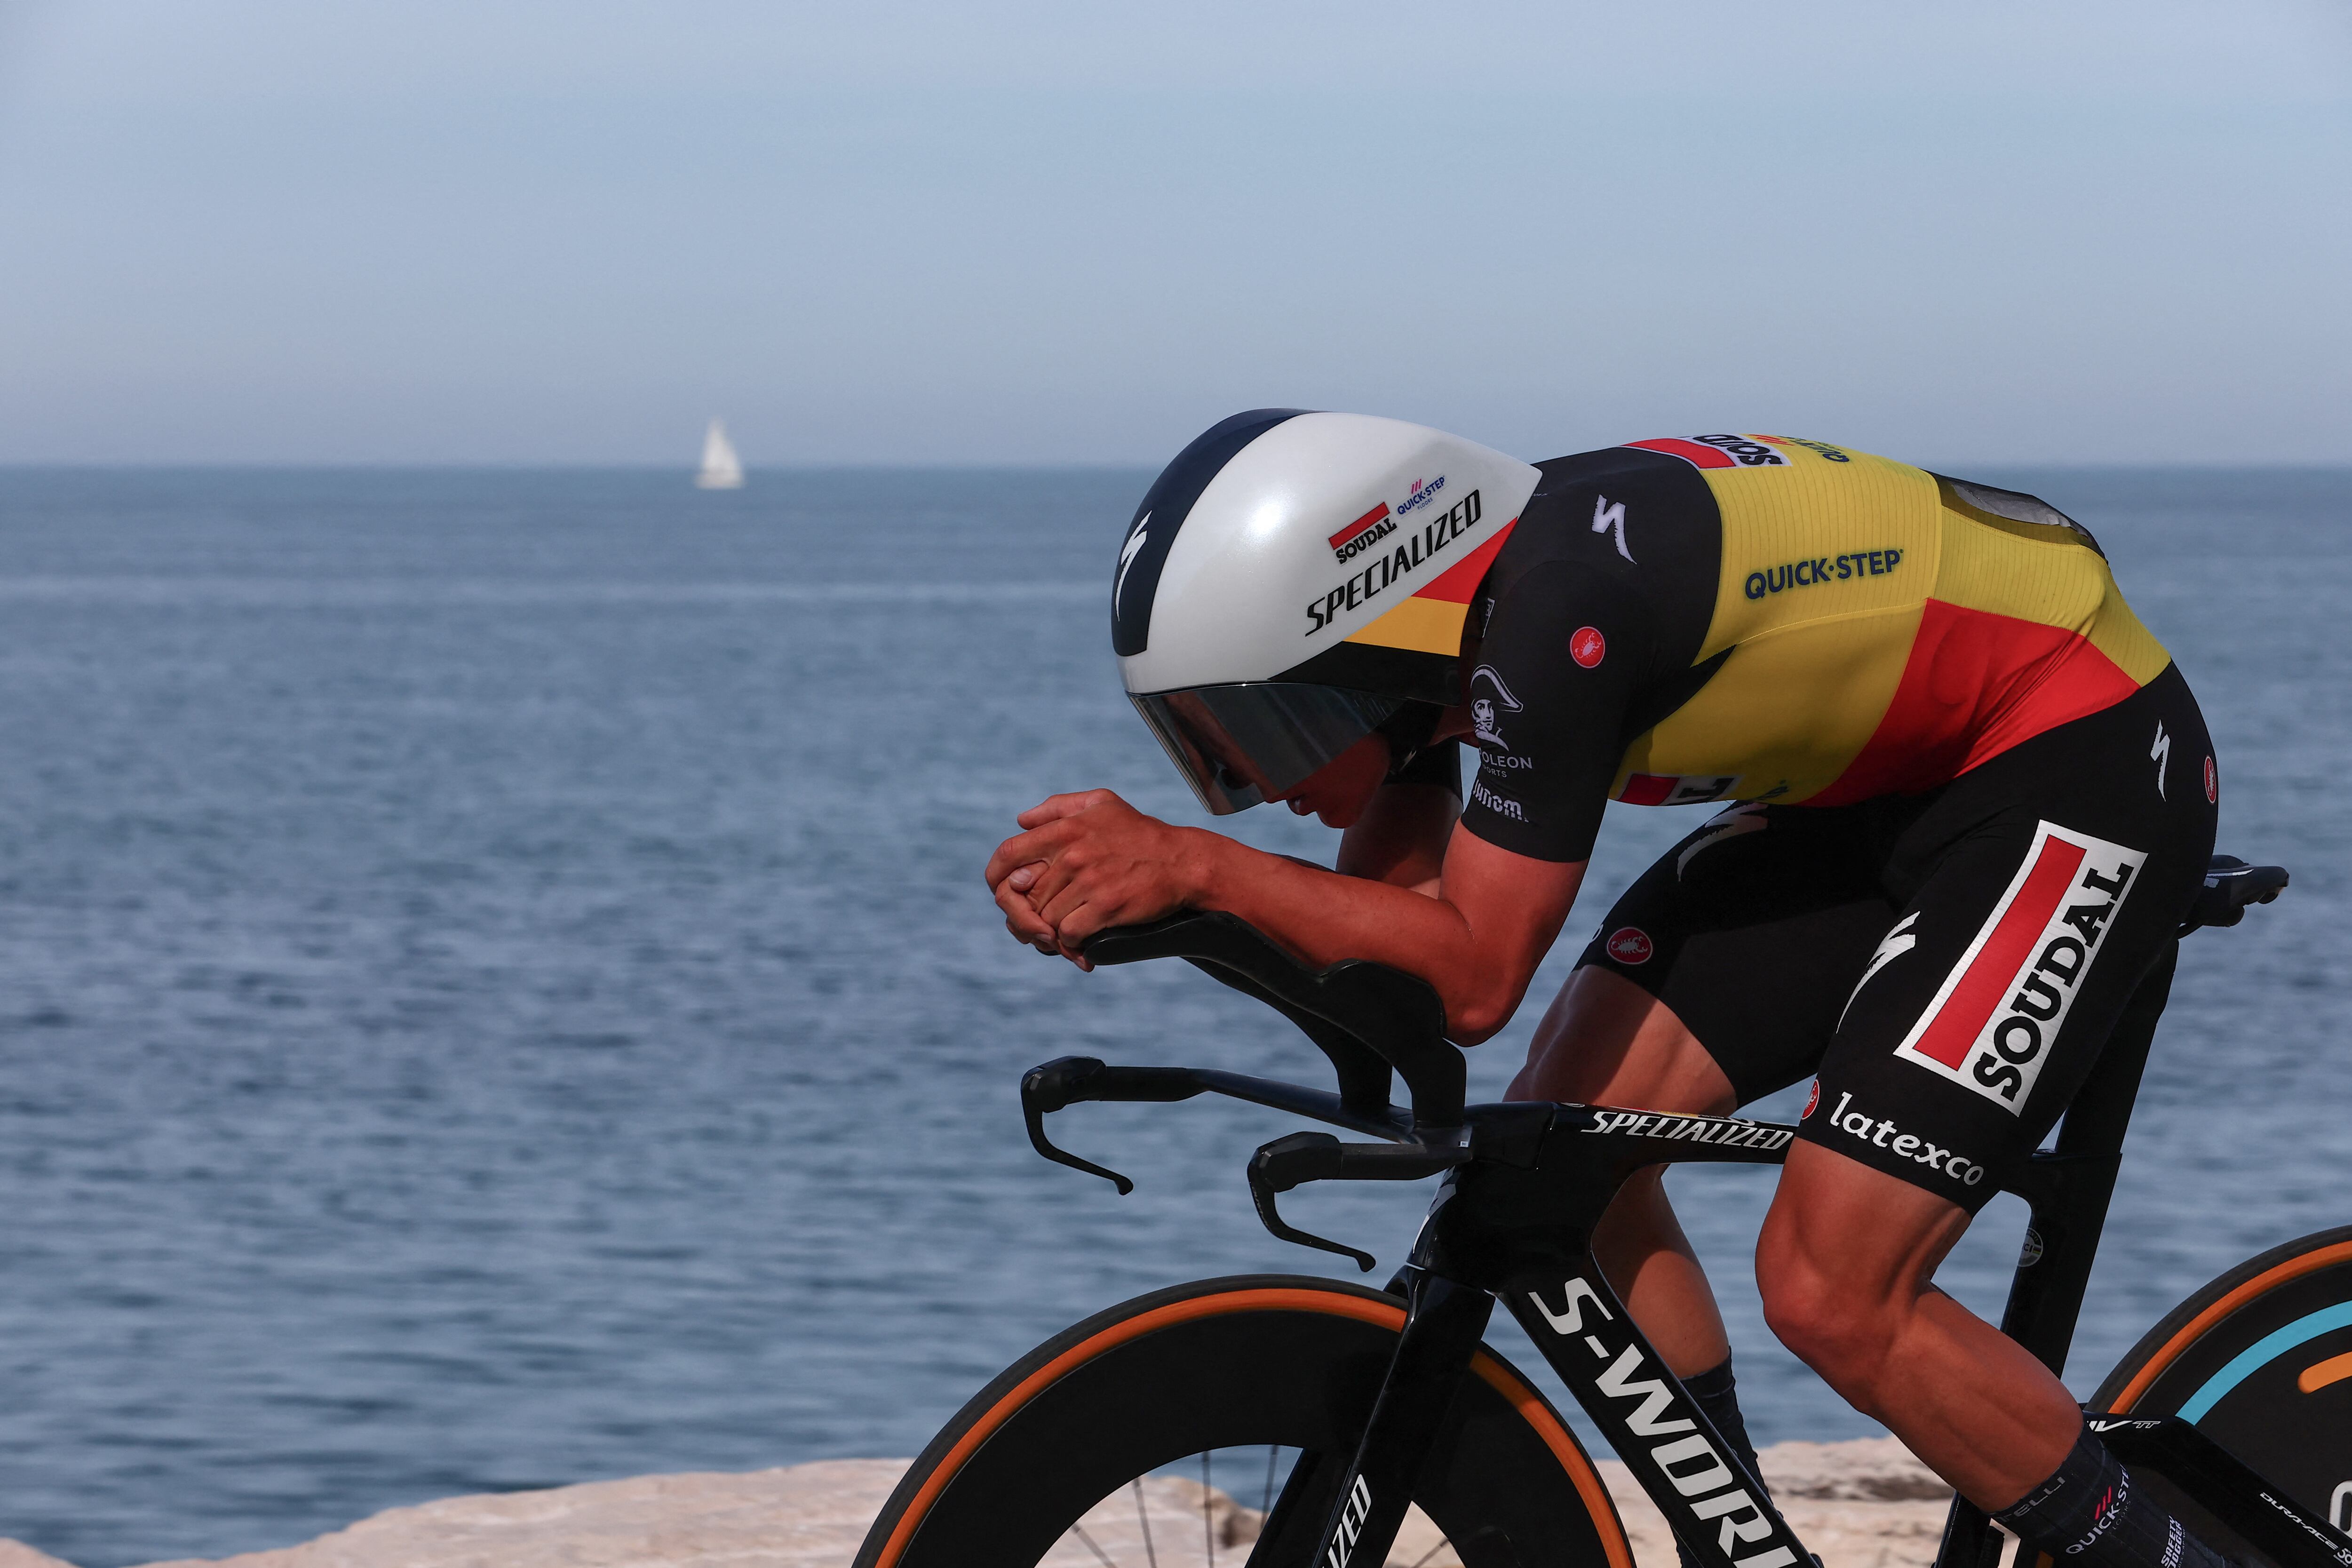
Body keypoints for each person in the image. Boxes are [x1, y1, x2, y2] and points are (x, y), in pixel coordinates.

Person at [985, 410, 2226, 1568]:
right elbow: (1385, 960)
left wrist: (1195, 865)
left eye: (1260, 731)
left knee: (1835, 1293)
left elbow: (1473, 980)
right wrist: (1174, 914)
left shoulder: (1558, 617)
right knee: (1562, 1156)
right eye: (1209, 750)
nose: (1259, 787)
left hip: (2076, 755)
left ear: (1352, 647)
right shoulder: (1440, 656)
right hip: (1873, 786)